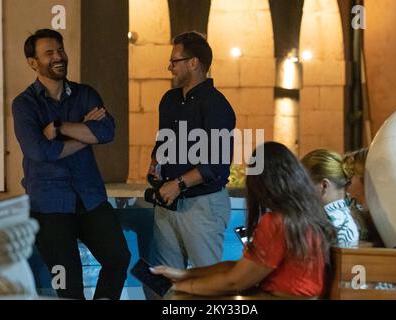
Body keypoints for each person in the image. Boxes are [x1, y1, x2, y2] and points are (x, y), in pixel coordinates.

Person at [12, 29, 130, 300]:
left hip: (90, 198)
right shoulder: (24, 104)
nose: (58, 57)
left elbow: (106, 132)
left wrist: (59, 127)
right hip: (49, 206)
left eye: (60, 50)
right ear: (33, 62)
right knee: (68, 288)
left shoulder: (84, 94)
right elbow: (39, 151)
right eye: (49, 53)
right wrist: (85, 134)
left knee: (118, 258)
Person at [151, 142, 336, 298]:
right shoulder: (308, 217)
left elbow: (235, 281)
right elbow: (241, 269)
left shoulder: (278, 223)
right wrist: (184, 274)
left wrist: (180, 288)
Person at [146, 31, 236, 281]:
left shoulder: (217, 105)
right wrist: (156, 163)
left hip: (202, 206)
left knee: (206, 283)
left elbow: (216, 163)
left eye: (174, 61)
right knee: (170, 283)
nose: (169, 67)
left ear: (193, 62)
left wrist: (178, 184)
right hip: (167, 204)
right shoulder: (170, 100)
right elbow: (163, 142)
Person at [301, 149, 360, 248]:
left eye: (305, 185)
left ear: (324, 186)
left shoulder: (333, 225)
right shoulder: (345, 217)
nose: (302, 192)